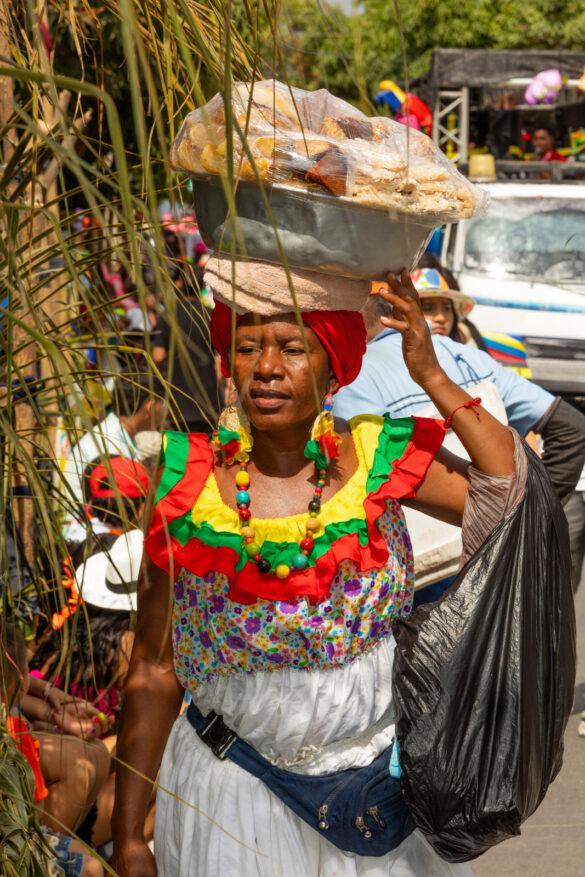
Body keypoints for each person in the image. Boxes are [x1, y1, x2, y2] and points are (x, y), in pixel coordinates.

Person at [111, 259, 532, 877]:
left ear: (334, 367)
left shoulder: (379, 456)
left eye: (292, 348)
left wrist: (429, 372)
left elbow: (512, 492)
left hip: (377, 798)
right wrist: (128, 835)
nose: (267, 367)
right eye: (248, 347)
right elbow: (153, 666)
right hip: (233, 800)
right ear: (229, 365)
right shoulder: (186, 482)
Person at [1, 620, 107, 877]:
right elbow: (38, 811)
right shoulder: (16, 733)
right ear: (23, 680)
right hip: (13, 847)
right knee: (92, 867)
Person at [61, 371, 166, 542]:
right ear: (151, 405)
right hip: (87, 539)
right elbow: (113, 511)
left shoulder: (119, 435)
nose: (164, 412)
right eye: (163, 404)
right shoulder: (111, 442)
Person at [151, 264, 220, 434]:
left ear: (178, 285)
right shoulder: (211, 315)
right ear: (203, 286)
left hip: (178, 405)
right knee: (208, 449)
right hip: (209, 402)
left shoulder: (168, 315)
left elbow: (157, 356)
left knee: (180, 450)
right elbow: (220, 360)